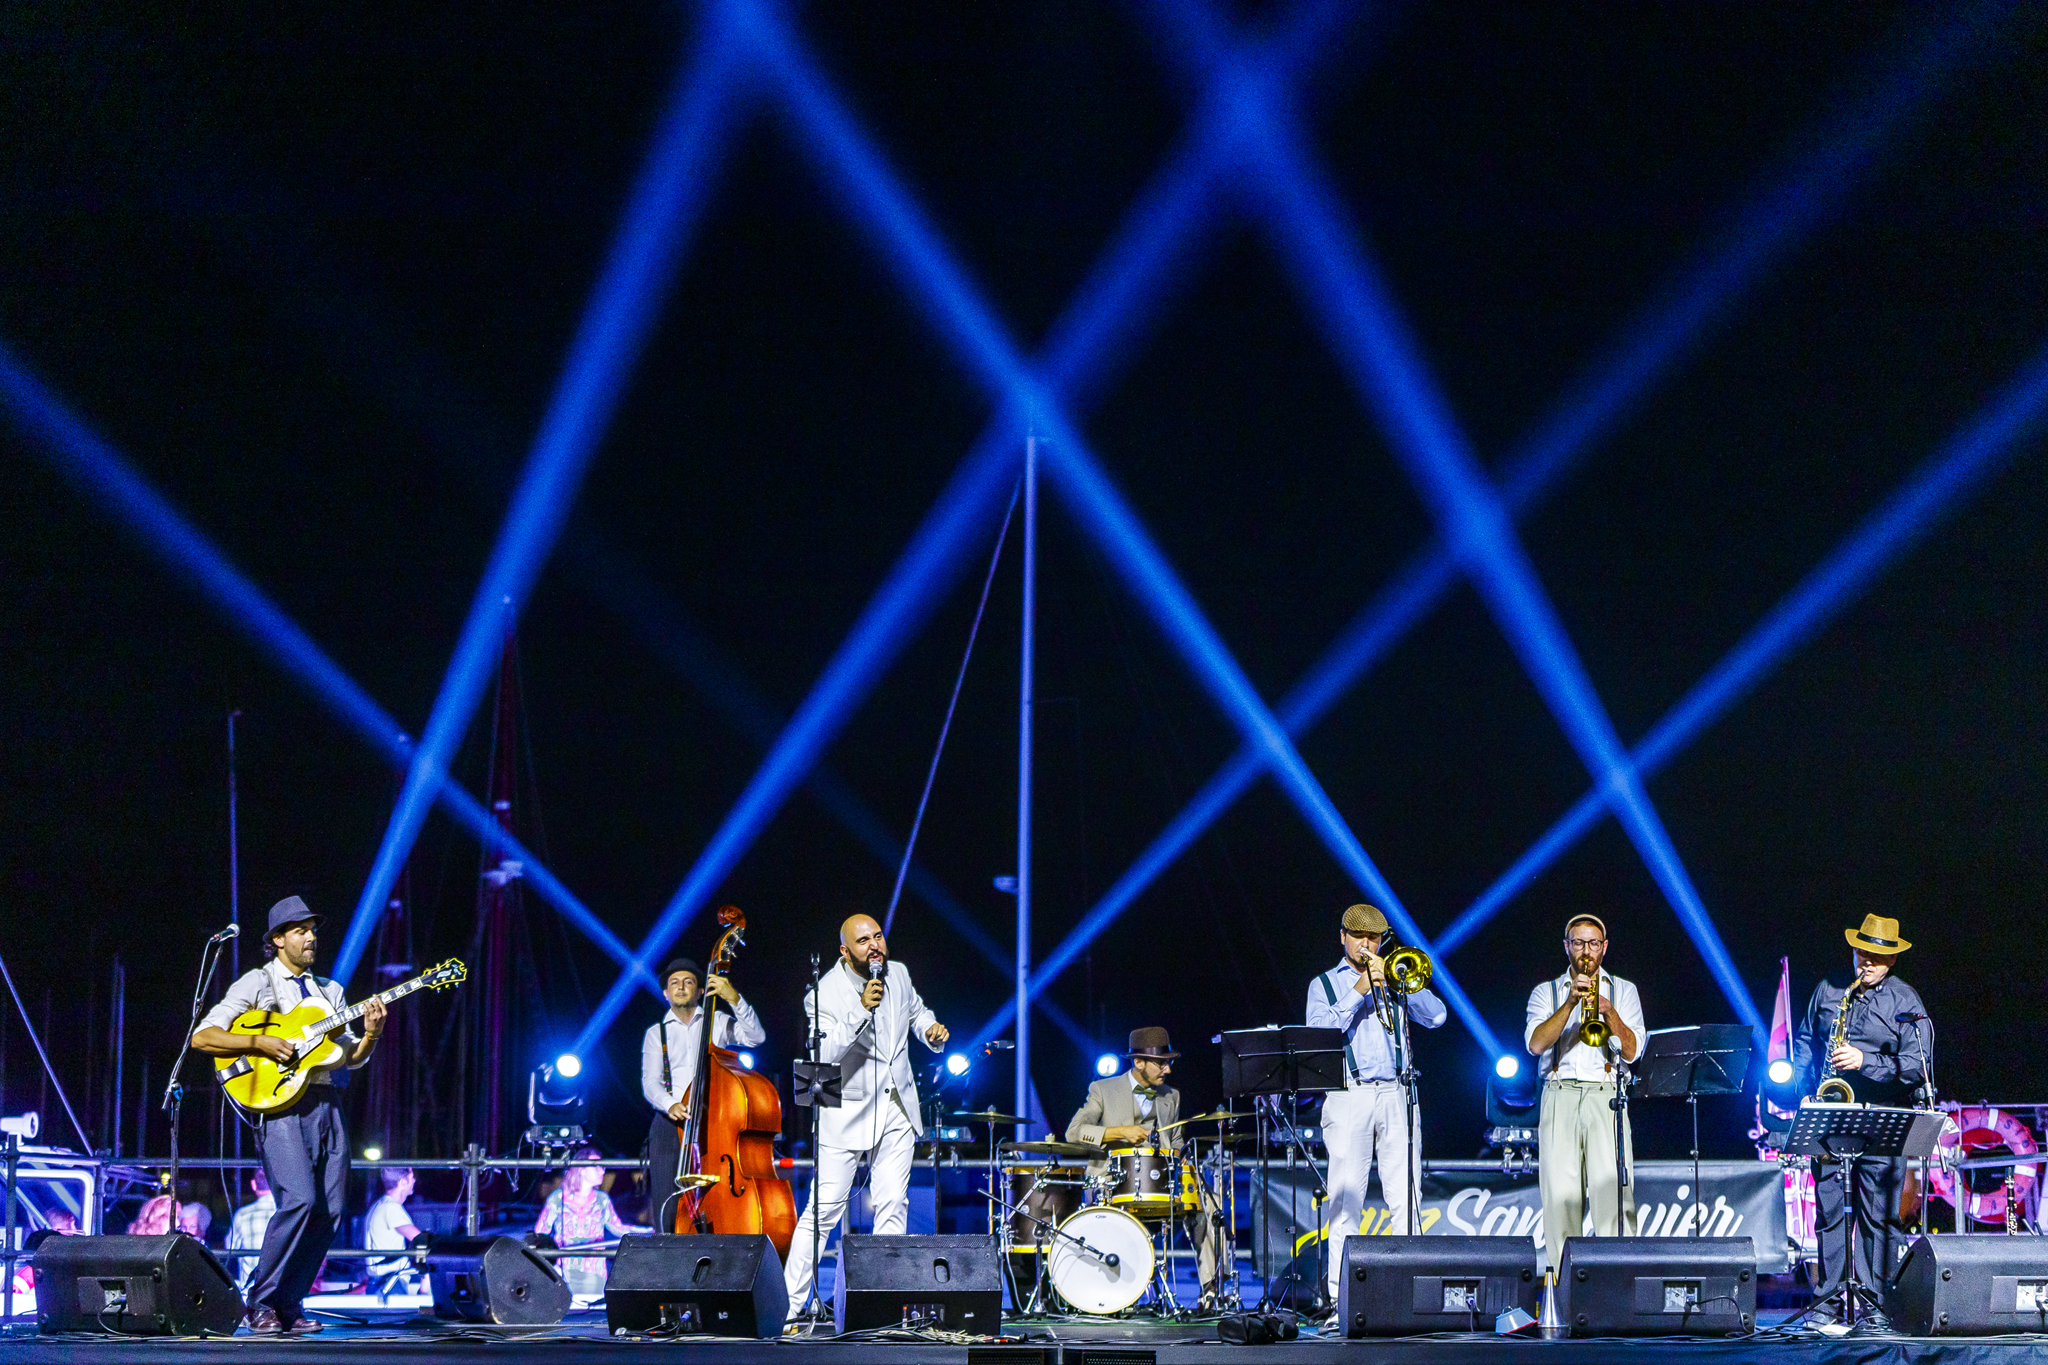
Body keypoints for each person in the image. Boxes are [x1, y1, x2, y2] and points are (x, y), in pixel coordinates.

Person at [192, 895, 386, 1334]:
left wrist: (371, 1036)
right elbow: (204, 1036)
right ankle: (260, 1301)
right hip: (279, 1104)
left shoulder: (330, 992)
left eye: (312, 930)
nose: (311, 937)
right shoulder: (258, 983)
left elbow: (349, 1057)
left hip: (327, 1103)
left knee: (331, 1210)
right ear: (278, 939)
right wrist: (258, 1041)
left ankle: (289, 1303)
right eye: (300, 931)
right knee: (299, 1199)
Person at [782, 914, 949, 1316]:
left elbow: (916, 1012)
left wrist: (929, 1030)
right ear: (845, 951)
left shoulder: (899, 974)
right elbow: (822, 1054)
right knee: (823, 1211)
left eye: (878, 936)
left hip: (897, 1108)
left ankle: (881, 1305)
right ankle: (788, 1306)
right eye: (863, 941)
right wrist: (860, 1010)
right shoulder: (823, 993)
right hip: (847, 1112)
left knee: (893, 1204)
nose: (874, 945)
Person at [1790, 914, 1931, 1325]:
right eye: (1861, 953)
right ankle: (1828, 1304)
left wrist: (1863, 1060)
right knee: (1829, 1211)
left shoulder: (1905, 1000)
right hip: (1831, 1114)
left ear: (1893, 960)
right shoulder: (1829, 989)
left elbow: (1917, 1064)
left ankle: (1875, 1306)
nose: (1866, 962)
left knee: (1879, 1216)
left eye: (1876, 957)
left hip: (1882, 1116)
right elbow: (1805, 1042)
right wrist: (1803, 1089)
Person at [1306, 902, 1447, 1306]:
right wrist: (1359, 991)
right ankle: (1340, 1300)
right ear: (1343, 937)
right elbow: (1317, 1034)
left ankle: (1413, 1295)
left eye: (1374, 938)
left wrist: (1403, 986)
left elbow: (1437, 1017)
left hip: (1398, 1093)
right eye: (1359, 937)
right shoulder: (1325, 984)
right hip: (1349, 1094)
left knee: (1407, 1197)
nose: (1367, 945)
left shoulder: (1395, 978)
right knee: (1345, 1199)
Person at [1066, 1026, 1228, 1306]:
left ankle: (1210, 1291)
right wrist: (1118, 1132)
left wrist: (1182, 1155)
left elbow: (1175, 1140)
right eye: (1161, 1063)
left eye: (1169, 1063)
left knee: (1210, 1204)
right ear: (1139, 1062)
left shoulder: (1171, 1096)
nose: (1167, 1070)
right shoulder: (1102, 1089)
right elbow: (1074, 1132)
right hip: (1112, 1185)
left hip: (1161, 1184)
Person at [1525, 913, 1645, 1272]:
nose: (1586, 951)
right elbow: (1535, 1044)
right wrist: (1569, 1004)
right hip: (1559, 1093)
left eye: (1593, 943)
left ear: (1604, 948)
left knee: (1614, 1197)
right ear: (1567, 947)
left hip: (1607, 1096)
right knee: (1560, 1200)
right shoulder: (1546, 991)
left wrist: (1608, 1012)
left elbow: (1632, 1051)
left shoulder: (1624, 990)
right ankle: (1563, 1287)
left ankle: (1619, 1281)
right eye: (1578, 943)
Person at [641, 956, 766, 1230]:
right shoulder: (655, 1033)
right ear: (665, 993)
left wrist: (735, 999)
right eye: (674, 982)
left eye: (688, 982)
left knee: (715, 1195)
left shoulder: (717, 1021)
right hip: (670, 1123)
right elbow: (650, 1082)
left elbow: (756, 1038)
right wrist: (670, 1104)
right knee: (667, 1202)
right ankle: (668, 1250)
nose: (681, 987)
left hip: (714, 1122)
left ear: (700, 991)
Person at [536, 1148, 632, 1298]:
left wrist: (647, 1232)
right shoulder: (557, 1199)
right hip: (564, 1274)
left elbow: (618, 1228)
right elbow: (540, 1234)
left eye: (602, 1166)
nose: (602, 1171)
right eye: (596, 1166)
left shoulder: (602, 1200)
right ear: (581, 1169)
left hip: (594, 1275)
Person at [363, 1168, 422, 1298]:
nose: (414, 1180)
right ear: (402, 1182)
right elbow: (420, 1239)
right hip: (391, 1284)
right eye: (412, 1177)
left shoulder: (379, 1205)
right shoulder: (391, 1208)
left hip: (381, 1282)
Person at [228, 1170, 276, 1292]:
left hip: (251, 1292)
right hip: (283, 1291)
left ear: (253, 1185)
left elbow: (230, 1248)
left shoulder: (242, 1215)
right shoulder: (289, 1214)